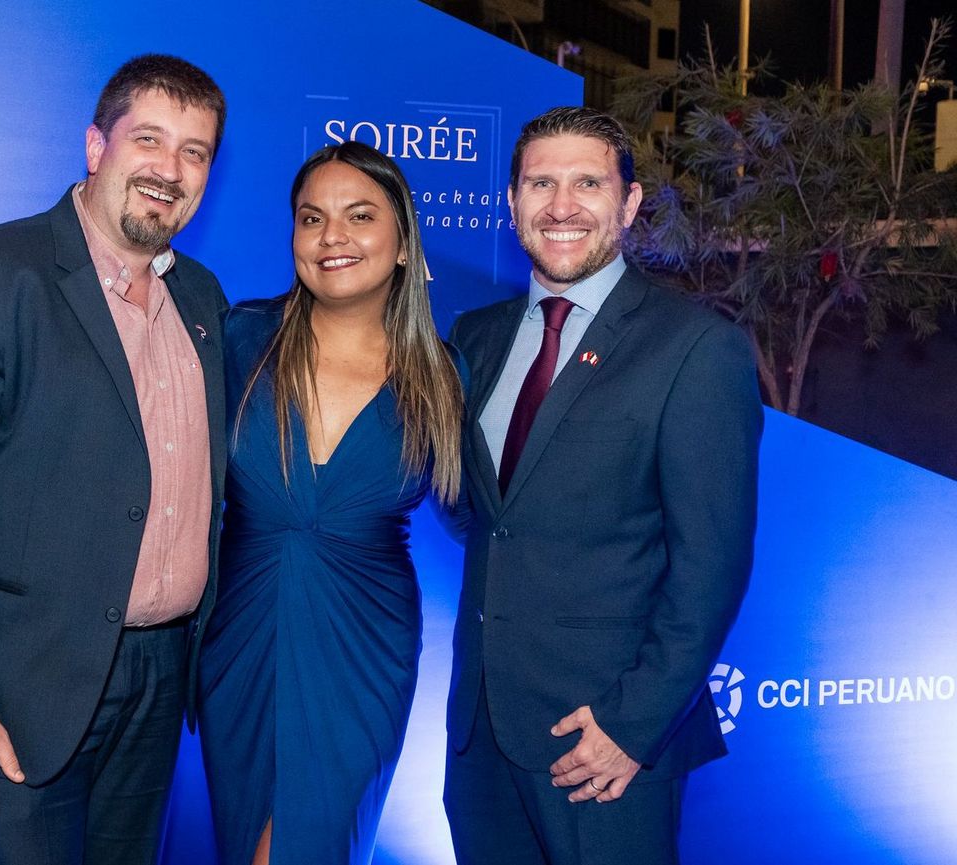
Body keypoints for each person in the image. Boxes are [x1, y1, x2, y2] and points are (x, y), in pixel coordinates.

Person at [0, 55, 229, 864]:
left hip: (160, 679)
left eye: (195, 152)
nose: (169, 169)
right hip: (16, 688)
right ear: (97, 146)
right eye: (149, 139)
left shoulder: (201, 297)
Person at [442, 106, 762, 865]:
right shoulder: (475, 336)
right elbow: (486, 512)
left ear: (629, 202)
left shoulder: (696, 348)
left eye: (587, 183)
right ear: (512, 201)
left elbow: (711, 565)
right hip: (480, 736)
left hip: (605, 741)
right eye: (540, 184)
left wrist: (634, 724)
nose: (562, 206)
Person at [198, 140, 466, 865]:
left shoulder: (441, 374)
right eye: (312, 218)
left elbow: (489, 517)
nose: (331, 236)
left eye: (360, 215)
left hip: (364, 647)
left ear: (404, 243)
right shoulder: (240, 337)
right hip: (241, 635)